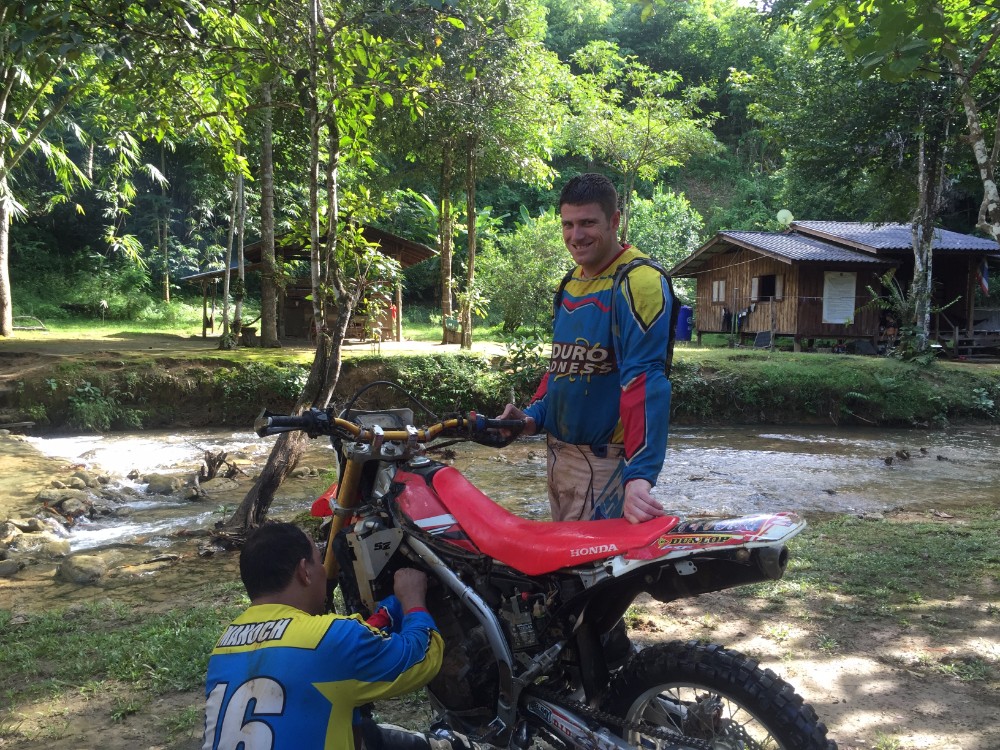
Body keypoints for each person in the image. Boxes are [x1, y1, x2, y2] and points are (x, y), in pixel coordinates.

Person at [203, 522, 484, 750]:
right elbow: (421, 657)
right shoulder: (328, 639)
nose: (325, 569)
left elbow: (326, 658)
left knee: (364, 730)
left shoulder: (223, 647)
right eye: (319, 561)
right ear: (304, 572)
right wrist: (413, 600)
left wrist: (385, 613)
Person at [499, 173, 675, 525]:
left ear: (614, 221)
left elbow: (645, 381)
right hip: (559, 459)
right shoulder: (570, 283)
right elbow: (563, 369)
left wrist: (639, 477)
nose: (575, 236)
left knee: (598, 561)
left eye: (588, 223)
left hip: (605, 464)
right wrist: (532, 418)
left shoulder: (639, 282)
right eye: (568, 224)